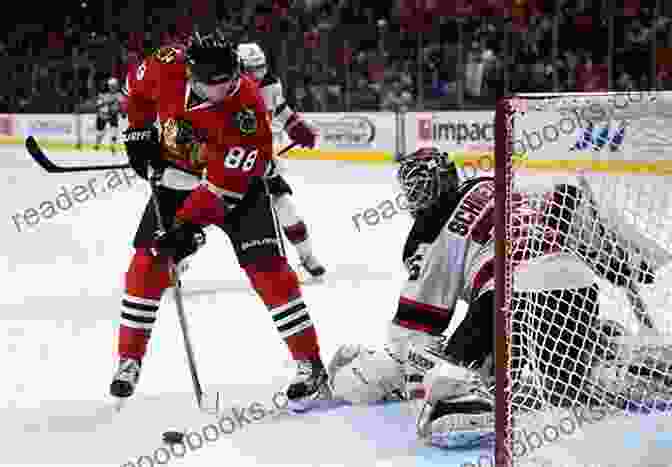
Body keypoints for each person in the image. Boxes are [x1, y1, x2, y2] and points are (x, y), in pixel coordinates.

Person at [328, 146, 662, 448]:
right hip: (576, 286)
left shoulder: (428, 231)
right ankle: (619, 353)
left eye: (420, 188)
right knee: (567, 389)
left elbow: (414, 329)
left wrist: (393, 372)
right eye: (410, 190)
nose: (416, 198)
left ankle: (468, 400)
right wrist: (616, 262)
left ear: (437, 186)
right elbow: (565, 198)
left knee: (444, 395)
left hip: (508, 299)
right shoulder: (490, 185)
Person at [111, 30, 331, 411]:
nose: (224, 88)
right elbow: (136, 94)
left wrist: (188, 229)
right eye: (213, 83)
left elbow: (224, 189)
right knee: (146, 264)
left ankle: (309, 364)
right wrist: (138, 131)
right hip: (177, 177)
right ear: (190, 73)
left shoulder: (247, 110)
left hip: (237, 190)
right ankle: (129, 359)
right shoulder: (166, 65)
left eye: (229, 78)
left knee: (269, 270)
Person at [236, 42, 325, 281]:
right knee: (206, 212)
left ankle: (307, 256)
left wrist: (297, 128)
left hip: (261, 162)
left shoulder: (270, 84)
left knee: (285, 205)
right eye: (252, 69)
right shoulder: (225, 89)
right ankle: (177, 262)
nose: (259, 74)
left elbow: (281, 110)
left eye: (261, 67)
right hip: (230, 163)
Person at [94, 77, 124, 152]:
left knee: (114, 131)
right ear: (109, 86)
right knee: (100, 133)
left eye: (115, 86)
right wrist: (106, 103)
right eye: (112, 86)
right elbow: (98, 105)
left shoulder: (119, 94)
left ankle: (112, 146)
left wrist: (123, 111)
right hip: (102, 116)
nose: (114, 87)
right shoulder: (102, 94)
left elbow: (122, 104)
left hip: (113, 115)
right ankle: (97, 144)